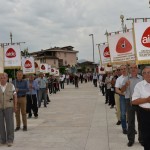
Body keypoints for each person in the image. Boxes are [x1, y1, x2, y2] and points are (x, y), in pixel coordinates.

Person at [121, 64, 143, 147]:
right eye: (131, 68)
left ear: (137, 69)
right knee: (130, 121)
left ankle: (141, 139)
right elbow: (122, 90)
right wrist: (125, 85)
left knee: (141, 121)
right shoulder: (126, 78)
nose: (133, 69)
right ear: (129, 69)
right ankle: (131, 139)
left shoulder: (141, 78)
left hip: (140, 101)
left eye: (135, 68)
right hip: (129, 101)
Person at [132, 66, 150, 150]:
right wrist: (147, 100)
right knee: (146, 136)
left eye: (149, 72)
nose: (147, 74)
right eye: (145, 73)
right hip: (144, 113)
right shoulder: (139, 85)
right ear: (142, 75)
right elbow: (134, 101)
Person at [0, 73, 17, 147]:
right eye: (1, 78)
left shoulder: (11, 85)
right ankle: (2, 140)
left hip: (9, 107)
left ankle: (10, 140)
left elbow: (15, 96)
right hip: (0, 108)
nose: (2, 79)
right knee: (0, 125)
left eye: (4, 77)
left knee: (10, 124)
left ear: (7, 78)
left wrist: (15, 106)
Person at [115, 65, 127, 134]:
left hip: (131, 97)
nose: (123, 70)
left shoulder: (131, 77)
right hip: (123, 97)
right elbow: (117, 90)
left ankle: (132, 128)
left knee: (131, 114)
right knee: (123, 113)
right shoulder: (119, 79)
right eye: (121, 69)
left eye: (124, 68)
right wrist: (123, 94)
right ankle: (124, 128)